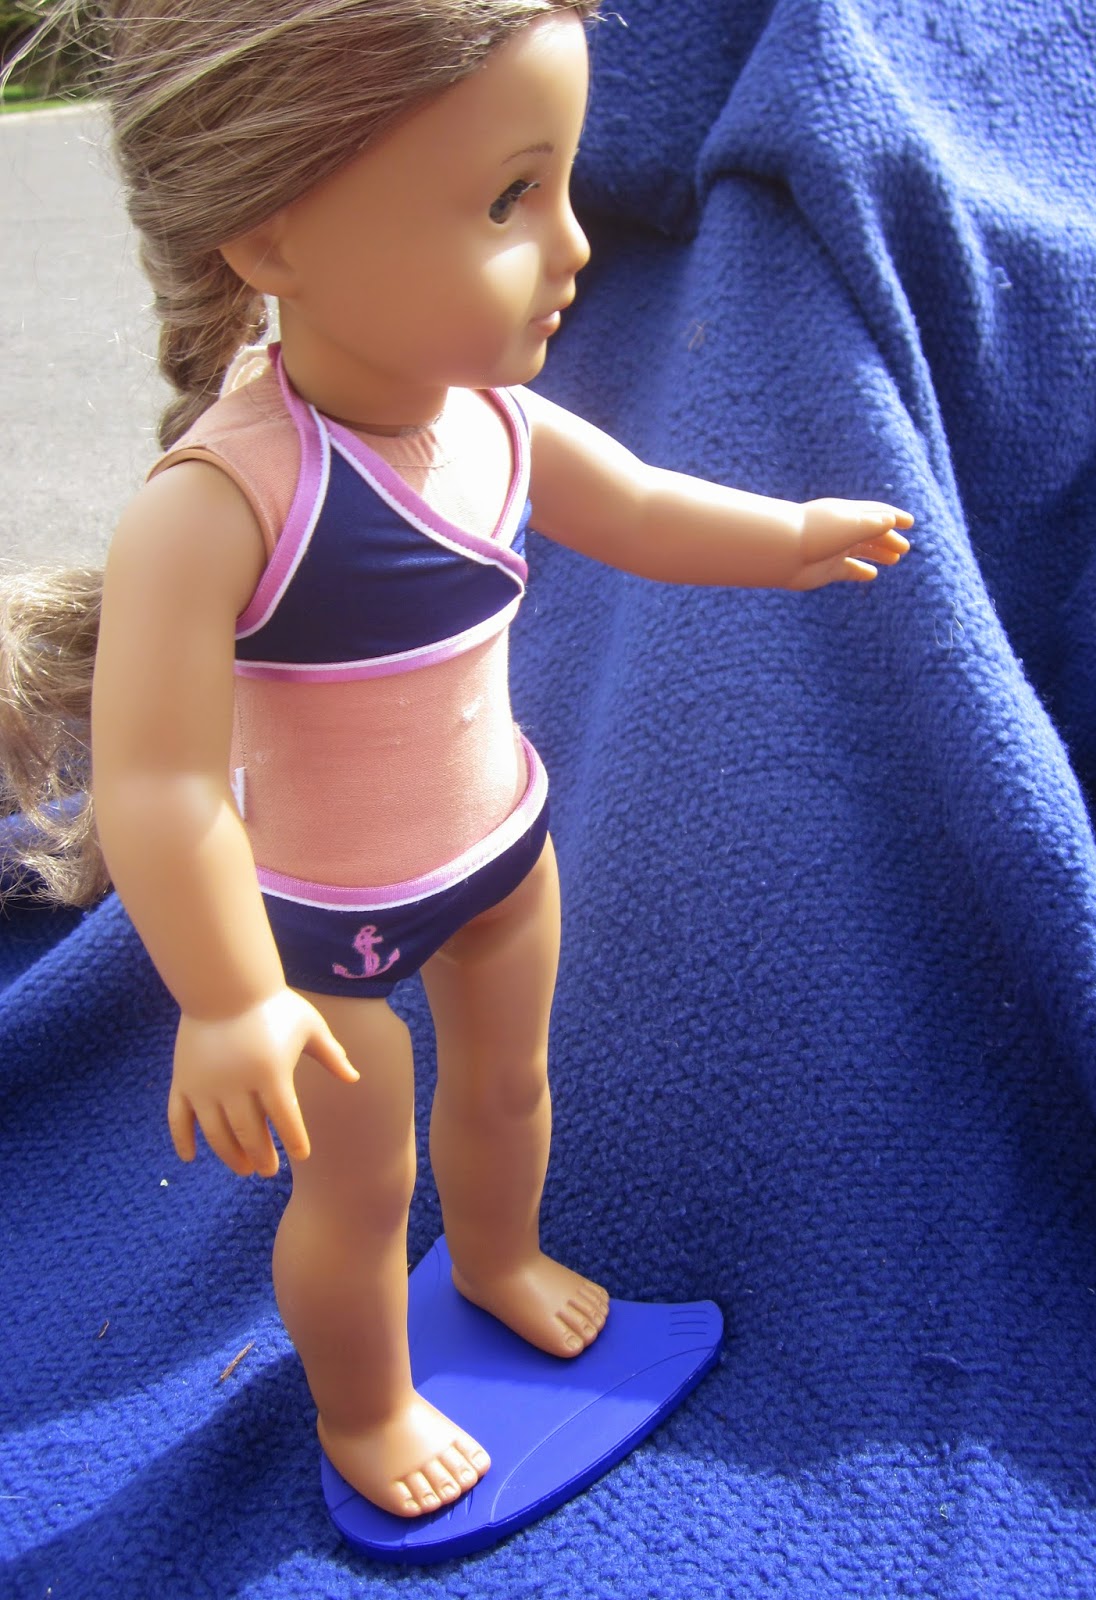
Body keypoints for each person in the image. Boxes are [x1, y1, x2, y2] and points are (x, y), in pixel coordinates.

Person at [0, 0, 911, 1522]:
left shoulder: (494, 422)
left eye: (561, 184)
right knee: (357, 1185)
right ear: (272, 238)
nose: (574, 247)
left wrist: (792, 535)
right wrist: (226, 995)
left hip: (500, 850)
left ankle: (497, 1257)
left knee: (507, 1086)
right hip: (323, 926)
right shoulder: (224, 503)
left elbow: (638, 504)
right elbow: (159, 785)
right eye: (507, 201)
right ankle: (367, 1409)